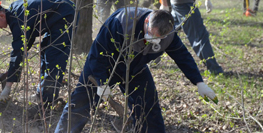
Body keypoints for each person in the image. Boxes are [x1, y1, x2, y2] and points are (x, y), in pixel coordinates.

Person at [55, 8, 217, 133]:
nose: (151, 39)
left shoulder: (169, 36)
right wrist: (102, 82)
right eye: (150, 34)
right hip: (105, 64)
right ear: (146, 21)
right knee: (81, 102)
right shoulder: (122, 22)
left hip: (135, 67)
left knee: (148, 105)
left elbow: (183, 57)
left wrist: (198, 82)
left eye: (157, 38)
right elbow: (99, 54)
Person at [0, 0, 76, 103]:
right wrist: (13, 70)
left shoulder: (18, 19)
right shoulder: (15, 13)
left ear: (1, 16)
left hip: (65, 13)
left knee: (53, 54)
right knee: (45, 49)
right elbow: (26, 42)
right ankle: (41, 95)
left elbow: (18, 50)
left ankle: (47, 101)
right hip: (57, 15)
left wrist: (8, 86)